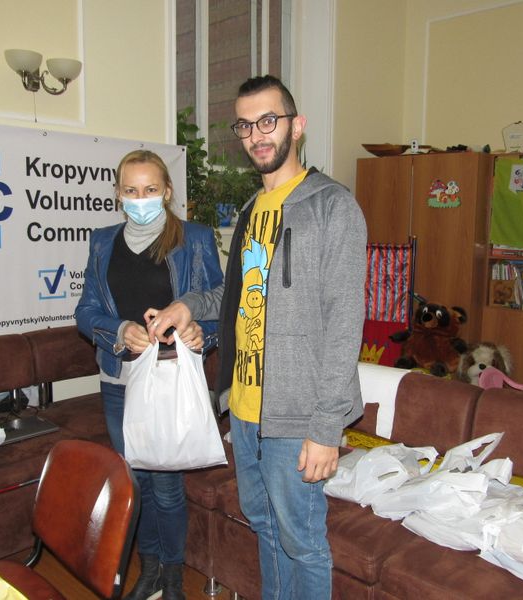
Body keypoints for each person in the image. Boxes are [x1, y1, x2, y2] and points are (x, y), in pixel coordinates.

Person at [145, 75, 367, 600]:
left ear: (297, 125)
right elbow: (238, 293)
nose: (256, 135)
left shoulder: (332, 206)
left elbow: (344, 320)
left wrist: (326, 426)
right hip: (245, 409)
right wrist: (186, 305)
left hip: (297, 415)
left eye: (268, 121)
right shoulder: (251, 210)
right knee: (265, 527)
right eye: (245, 126)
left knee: (303, 542)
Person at [75, 149, 223, 600]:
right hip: (119, 381)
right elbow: (86, 311)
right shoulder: (102, 242)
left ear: (168, 191)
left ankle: (172, 575)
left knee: (168, 487)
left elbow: (221, 300)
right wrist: (119, 330)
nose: (141, 199)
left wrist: (201, 333)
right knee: (134, 484)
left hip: (171, 381)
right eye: (131, 190)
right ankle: (149, 568)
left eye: (151, 189)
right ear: (118, 194)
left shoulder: (195, 238)